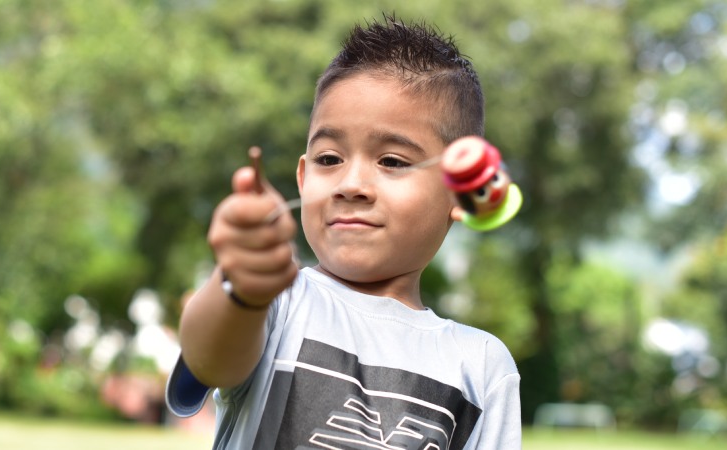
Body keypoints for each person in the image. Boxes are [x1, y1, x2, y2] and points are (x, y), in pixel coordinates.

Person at [166, 13, 522, 450]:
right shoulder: (277, 299)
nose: (350, 185)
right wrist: (240, 288)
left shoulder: (482, 366)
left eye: (392, 161)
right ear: (302, 178)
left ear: (462, 196)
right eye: (330, 159)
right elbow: (211, 360)